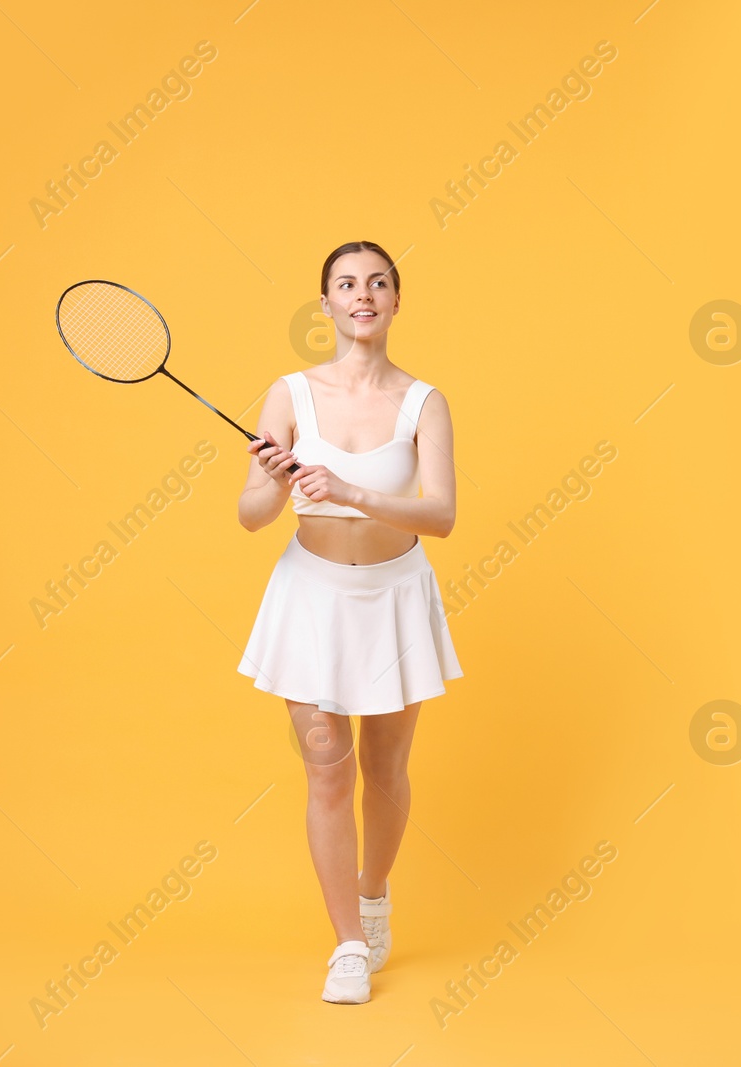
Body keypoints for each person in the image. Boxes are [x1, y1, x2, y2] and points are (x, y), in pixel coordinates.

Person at [235, 240, 463, 1003]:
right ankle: (347, 945)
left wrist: (354, 491)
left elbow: (442, 515)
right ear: (324, 304)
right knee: (326, 771)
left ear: (397, 300)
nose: (362, 294)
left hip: (395, 597)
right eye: (345, 284)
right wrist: (274, 482)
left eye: (377, 282)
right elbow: (251, 515)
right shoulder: (289, 395)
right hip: (313, 597)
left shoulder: (423, 401)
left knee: (384, 770)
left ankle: (372, 895)